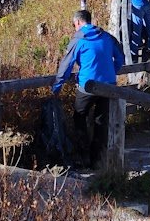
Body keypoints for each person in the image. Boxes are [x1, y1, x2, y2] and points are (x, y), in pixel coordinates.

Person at [51, 9, 125, 165]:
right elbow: (120, 56)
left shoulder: (79, 39)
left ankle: (83, 155)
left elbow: (66, 65)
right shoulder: (107, 37)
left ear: (78, 22)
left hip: (87, 86)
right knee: (101, 121)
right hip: (108, 87)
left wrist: (57, 87)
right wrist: (112, 71)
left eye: (74, 24)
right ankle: (97, 159)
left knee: (79, 117)